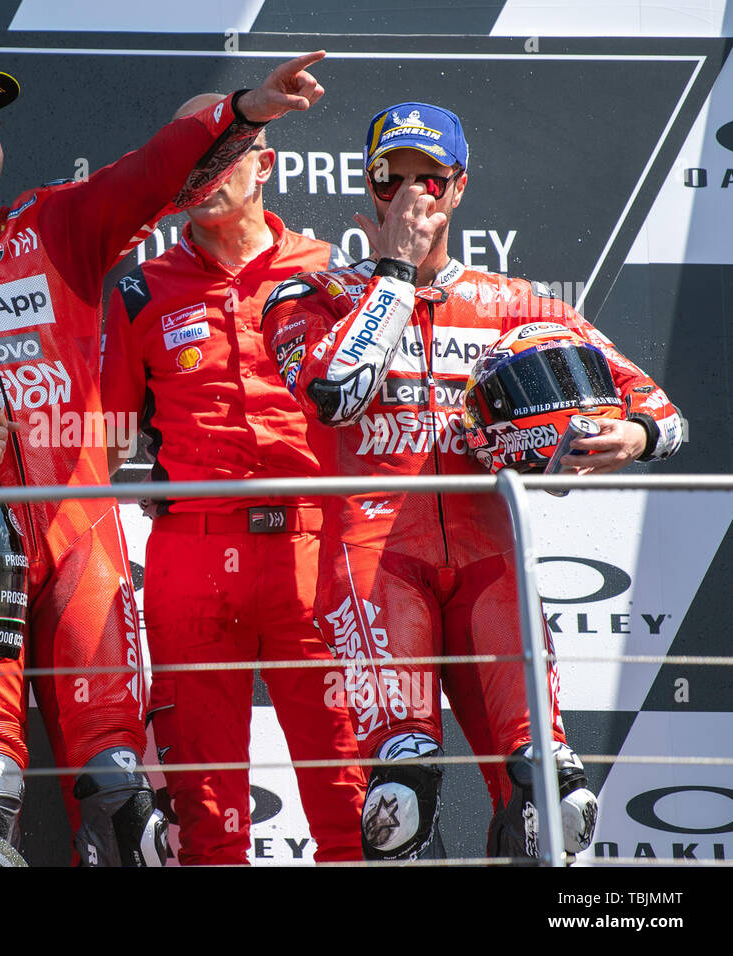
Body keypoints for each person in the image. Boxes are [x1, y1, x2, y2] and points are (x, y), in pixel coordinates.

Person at [0, 54, 331, 865]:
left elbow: (157, 173)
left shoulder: (56, 224)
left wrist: (244, 111)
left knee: (118, 792)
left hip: (83, 549)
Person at [259, 102, 685, 861]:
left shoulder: (515, 304)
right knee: (399, 799)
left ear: (460, 189)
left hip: (492, 564)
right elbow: (335, 396)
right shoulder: (308, 298)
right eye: (396, 178)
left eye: (433, 179)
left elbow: (661, 410)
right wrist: (391, 273)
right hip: (375, 564)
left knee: (552, 797)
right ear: (371, 182)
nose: (415, 197)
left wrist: (633, 434)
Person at [100, 94, 364, 865]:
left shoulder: (332, 275)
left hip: (316, 554)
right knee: (205, 817)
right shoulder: (141, 289)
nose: (207, 174)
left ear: (266, 165)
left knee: (351, 801)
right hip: (190, 554)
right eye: (194, 159)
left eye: (226, 155)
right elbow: (104, 439)